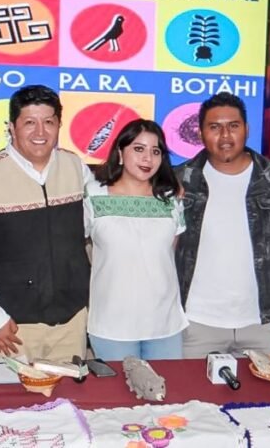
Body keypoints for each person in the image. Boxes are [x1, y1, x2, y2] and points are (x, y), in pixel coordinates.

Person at [0, 85, 93, 362]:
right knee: (10, 393)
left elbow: (94, 222)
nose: (40, 132)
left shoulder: (76, 166)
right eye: (30, 123)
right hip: (10, 327)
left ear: (59, 125)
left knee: (68, 392)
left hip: (71, 322)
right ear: (11, 127)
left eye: (48, 122)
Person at [175, 92, 270, 358]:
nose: (225, 136)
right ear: (200, 133)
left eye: (233, 126)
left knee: (269, 387)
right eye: (215, 127)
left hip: (262, 324)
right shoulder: (180, 180)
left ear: (247, 129)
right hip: (195, 322)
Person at [84, 119, 188, 361]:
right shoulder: (94, 194)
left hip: (165, 324)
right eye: (139, 149)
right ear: (120, 153)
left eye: (155, 151)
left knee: (170, 387)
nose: (147, 158)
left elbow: (168, 255)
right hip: (111, 325)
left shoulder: (171, 197)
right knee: (117, 387)